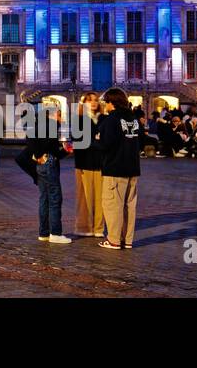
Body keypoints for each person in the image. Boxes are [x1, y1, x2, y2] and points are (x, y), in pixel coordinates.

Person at [98, 88, 141, 250]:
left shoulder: (111, 120)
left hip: (115, 167)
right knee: (130, 206)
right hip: (133, 167)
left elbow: (106, 144)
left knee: (112, 204)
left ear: (112, 103)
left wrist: (93, 142)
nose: (105, 106)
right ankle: (127, 239)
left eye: (106, 102)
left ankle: (114, 239)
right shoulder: (134, 118)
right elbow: (140, 140)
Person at [28, 104, 71, 243]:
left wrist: (37, 155)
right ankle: (56, 233)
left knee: (44, 198)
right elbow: (53, 151)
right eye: (59, 114)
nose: (60, 117)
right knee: (55, 198)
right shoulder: (51, 125)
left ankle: (44, 233)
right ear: (51, 115)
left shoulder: (38, 125)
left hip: (40, 164)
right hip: (49, 163)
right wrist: (65, 150)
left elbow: (30, 138)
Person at [73, 92, 105, 237]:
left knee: (100, 198)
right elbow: (79, 141)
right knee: (84, 197)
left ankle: (98, 228)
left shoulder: (104, 119)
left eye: (95, 100)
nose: (93, 103)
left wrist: (95, 141)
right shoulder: (79, 120)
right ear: (83, 103)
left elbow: (107, 140)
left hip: (101, 163)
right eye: (89, 100)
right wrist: (97, 141)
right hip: (83, 163)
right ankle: (84, 227)